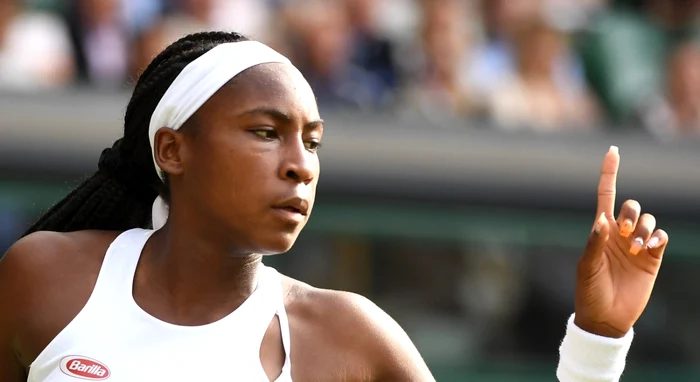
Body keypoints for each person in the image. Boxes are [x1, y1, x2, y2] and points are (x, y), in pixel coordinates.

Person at [0, 31, 668, 382]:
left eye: (313, 141)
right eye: (265, 132)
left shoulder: (348, 339)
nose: (300, 163)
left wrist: (598, 340)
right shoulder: (45, 280)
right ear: (172, 150)